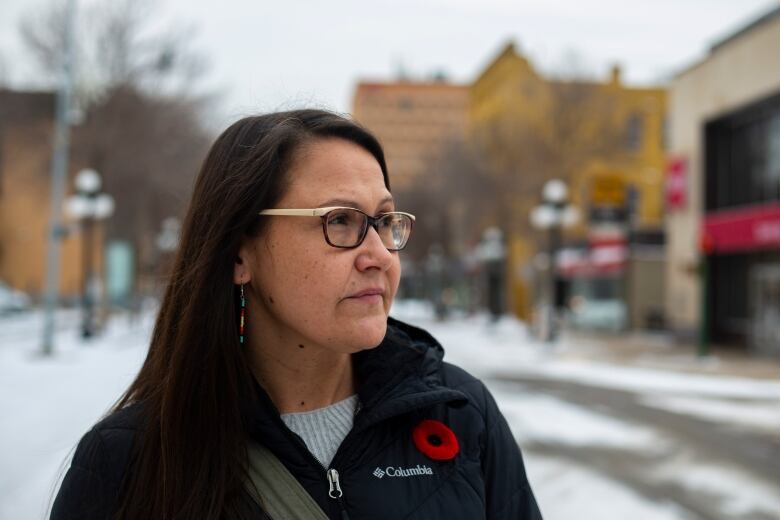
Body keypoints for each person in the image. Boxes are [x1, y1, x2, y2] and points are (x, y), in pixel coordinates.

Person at [50, 109, 542, 519]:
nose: (380, 255)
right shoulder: (129, 463)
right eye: (340, 221)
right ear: (240, 255)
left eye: (385, 222)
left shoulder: (460, 416)